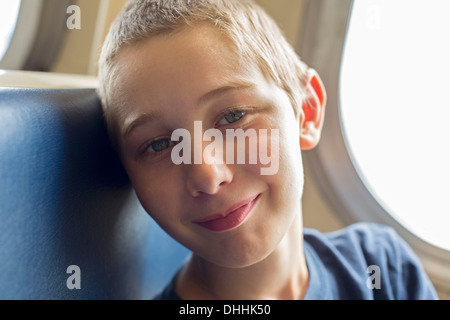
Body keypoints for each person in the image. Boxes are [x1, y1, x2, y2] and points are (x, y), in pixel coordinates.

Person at [97, 0, 438, 300]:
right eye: (160, 144)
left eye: (232, 117)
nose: (208, 174)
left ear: (306, 111)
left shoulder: (382, 269)